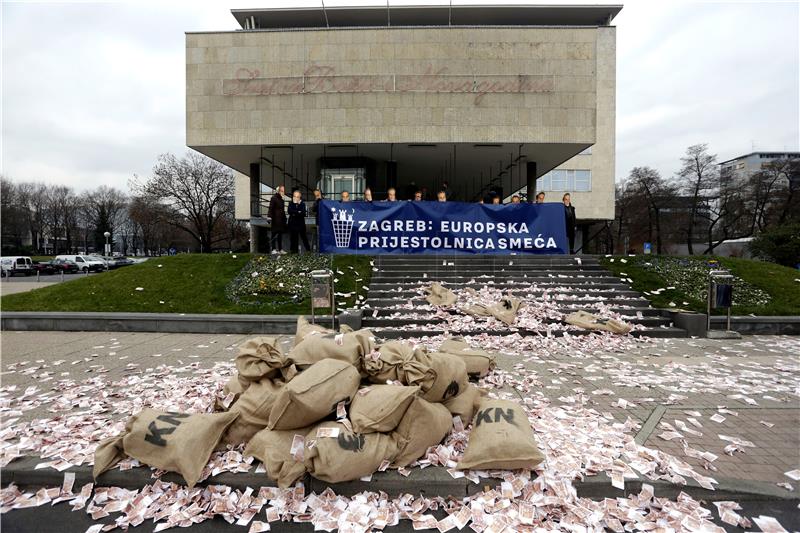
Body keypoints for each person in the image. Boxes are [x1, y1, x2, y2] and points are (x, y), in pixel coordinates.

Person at [268, 185, 287, 254]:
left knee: (280, 235)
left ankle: (280, 249)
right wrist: (269, 216)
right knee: (274, 234)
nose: (283, 192)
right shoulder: (273, 198)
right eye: (282, 191)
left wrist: (285, 219)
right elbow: (271, 208)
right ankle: (273, 249)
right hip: (275, 220)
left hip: (281, 220)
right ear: (278, 191)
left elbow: (282, 210)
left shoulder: (282, 200)